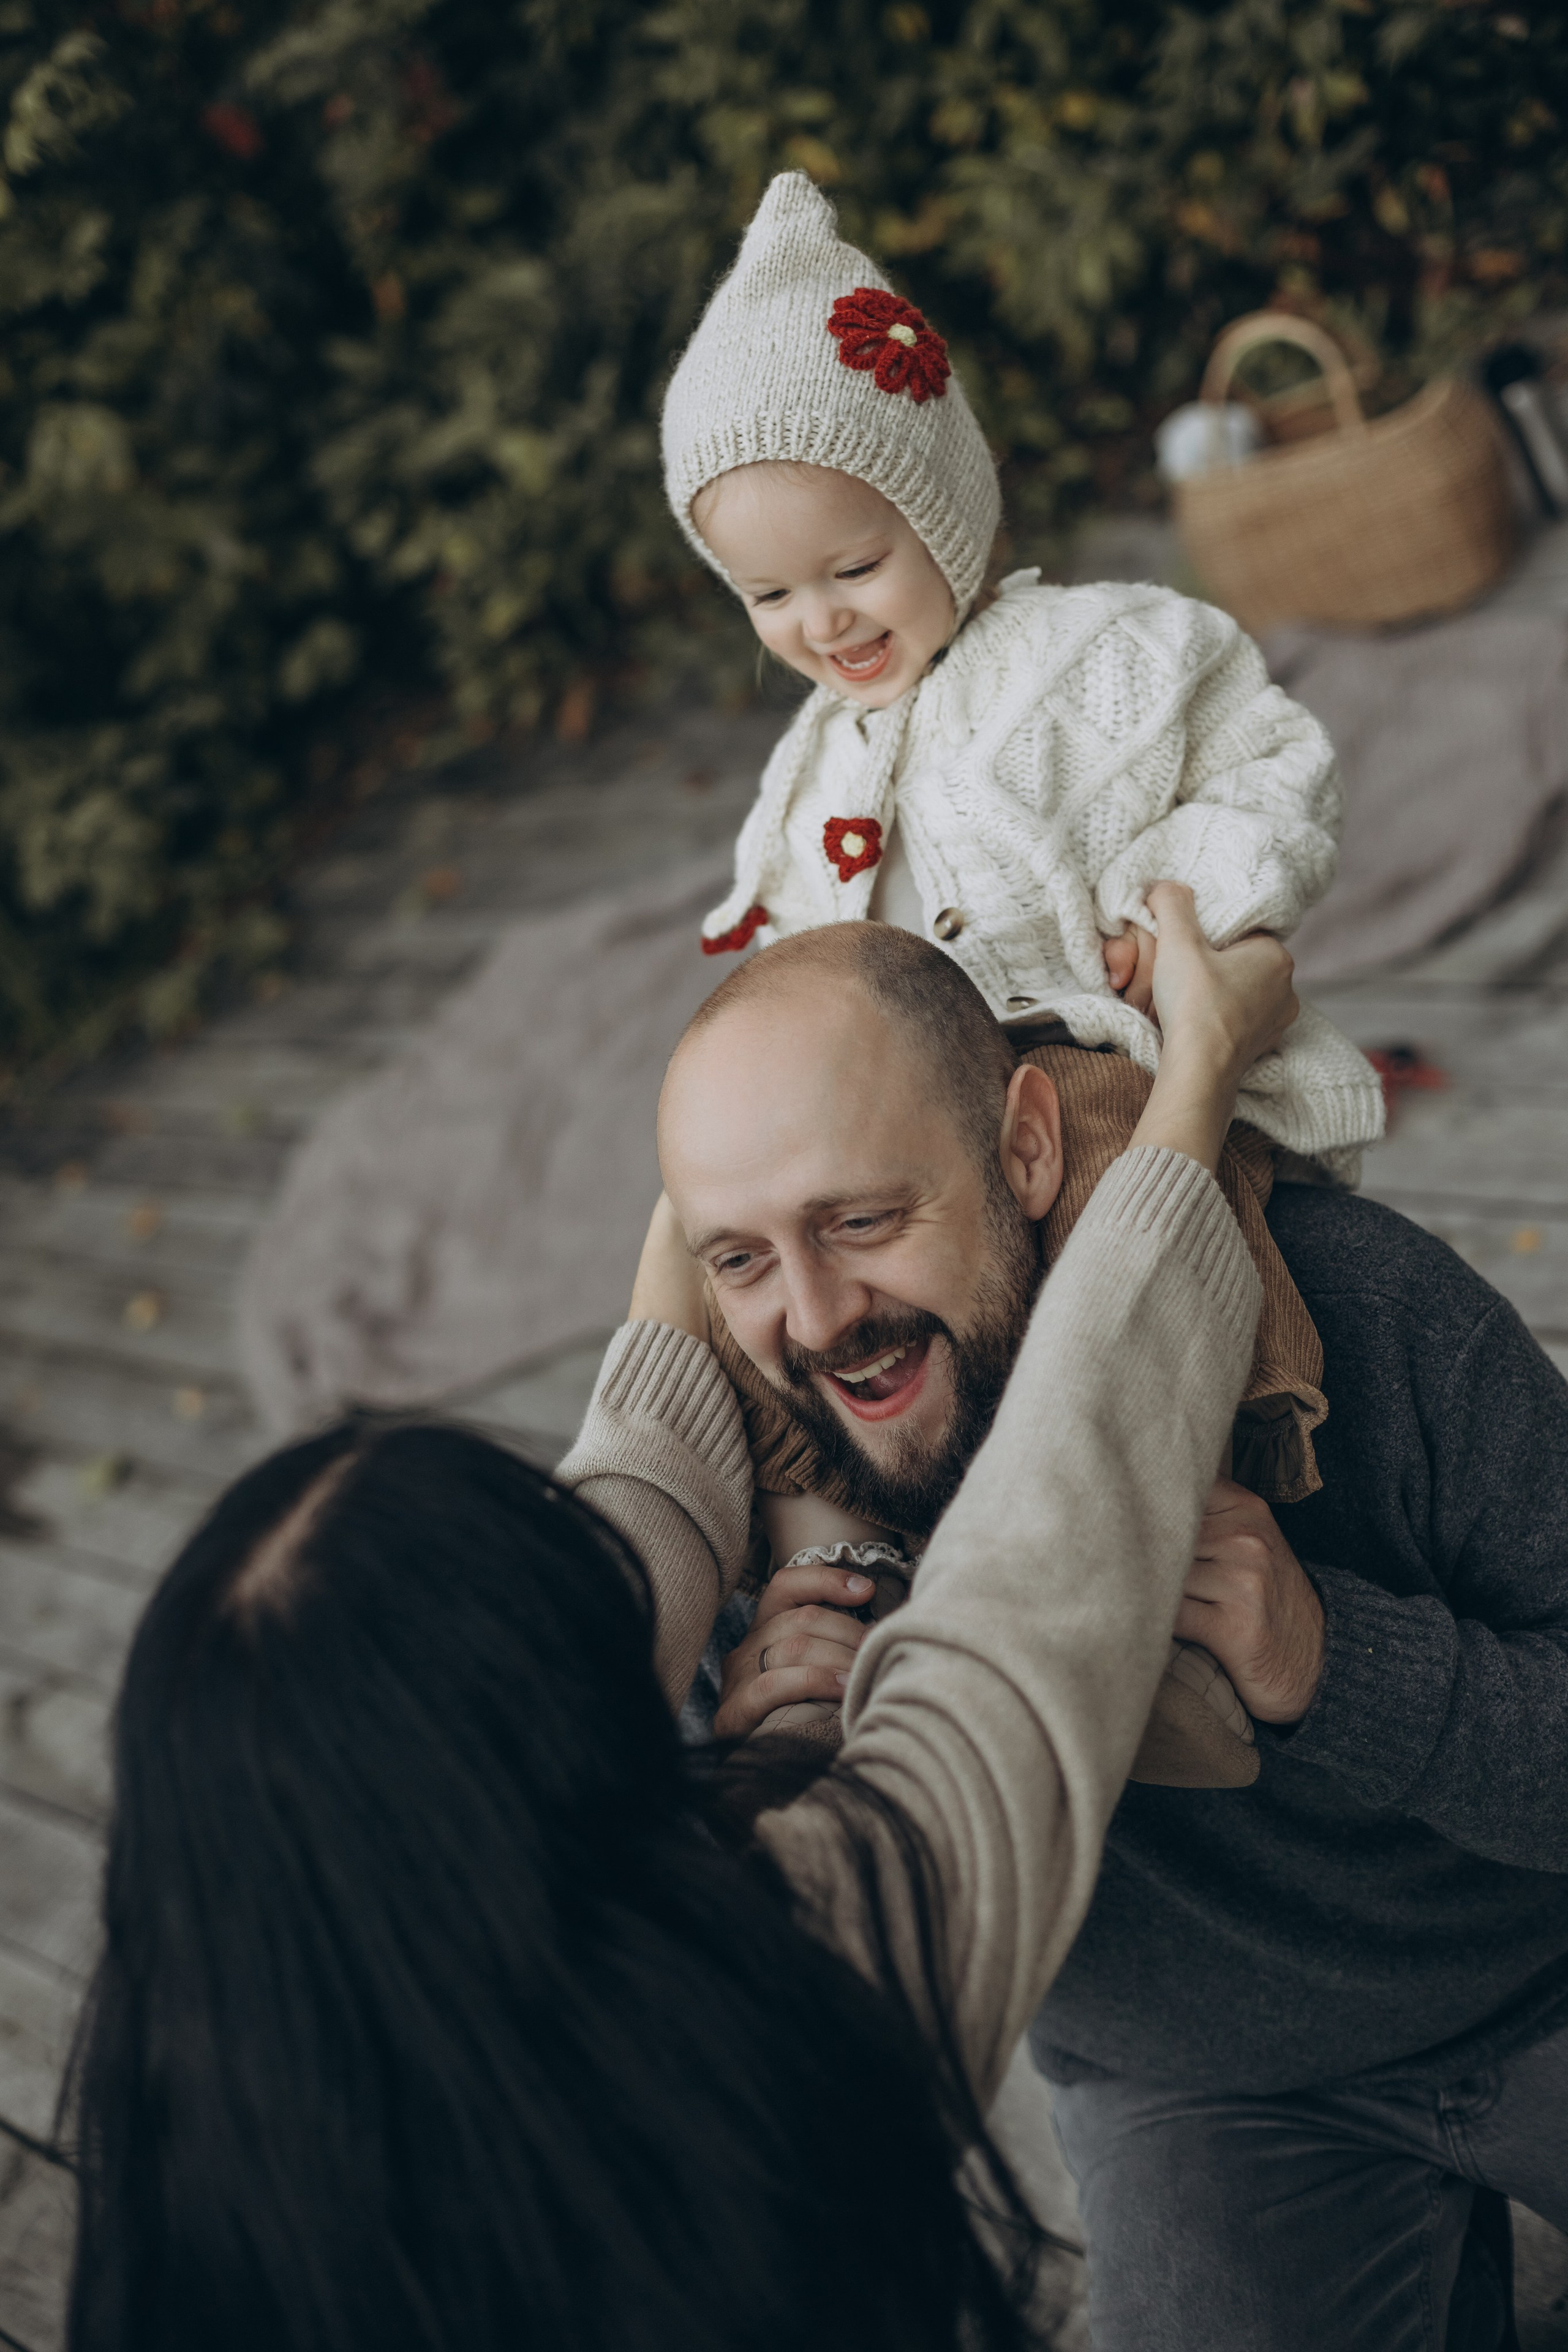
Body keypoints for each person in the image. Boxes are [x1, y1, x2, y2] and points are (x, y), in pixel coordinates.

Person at [64, 900, 1288, 2352]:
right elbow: (1040, 1569)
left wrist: (722, 1202)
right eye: (745, 1261)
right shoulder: (764, 2016)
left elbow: (616, 1546)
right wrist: (1198, 1072)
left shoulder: (199, 2127)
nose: (820, 1315)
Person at [643, 902, 1568, 2352]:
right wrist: (742, 1758)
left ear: (1024, 1146)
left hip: (1530, 1967)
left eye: (861, 1222)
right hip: (1197, 2087)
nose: (818, 1321)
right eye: (741, 1260)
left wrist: (1336, 1659)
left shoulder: (1360, 1316)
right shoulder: (766, 1495)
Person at [659, 167, 1385, 1770]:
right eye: (767, 594)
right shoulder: (808, 772)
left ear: (944, 505)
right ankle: (840, 1562)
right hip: (902, 1130)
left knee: (1133, 1185)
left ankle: (1195, 1530)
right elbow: (797, 954)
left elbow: (1275, 766)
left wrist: (1175, 897)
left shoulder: (1100, 658)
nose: (817, 621)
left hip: (1091, 1051)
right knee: (781, 1299)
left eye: (851, 565)